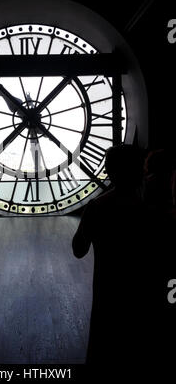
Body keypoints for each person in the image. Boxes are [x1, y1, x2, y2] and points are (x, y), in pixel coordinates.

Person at [72, 145, 159, 368]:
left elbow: (79, 249)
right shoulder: (151, 210)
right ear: (141, 170)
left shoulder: (97, 208)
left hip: (108, 291)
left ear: (110, 172)